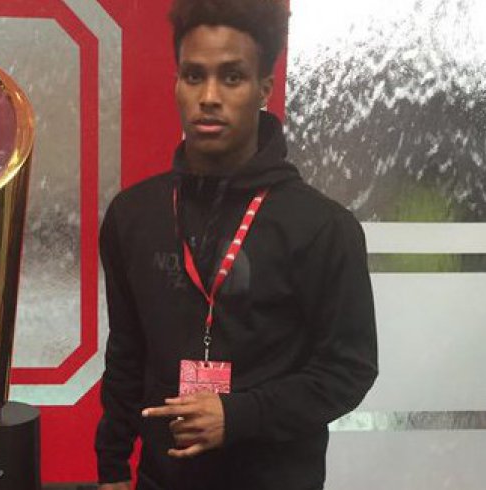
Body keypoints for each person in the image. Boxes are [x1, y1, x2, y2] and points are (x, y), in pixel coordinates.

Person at [95, 0, 378, 488]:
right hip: (163, 479)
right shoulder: (133, 217)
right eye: (193, 76)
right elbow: (126, 352)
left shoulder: (323, 228)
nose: (208, 96)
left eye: (231, 77)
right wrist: (113, 465)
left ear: (263, 89)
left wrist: (239, 415)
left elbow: (347, 370)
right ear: (177, 84)